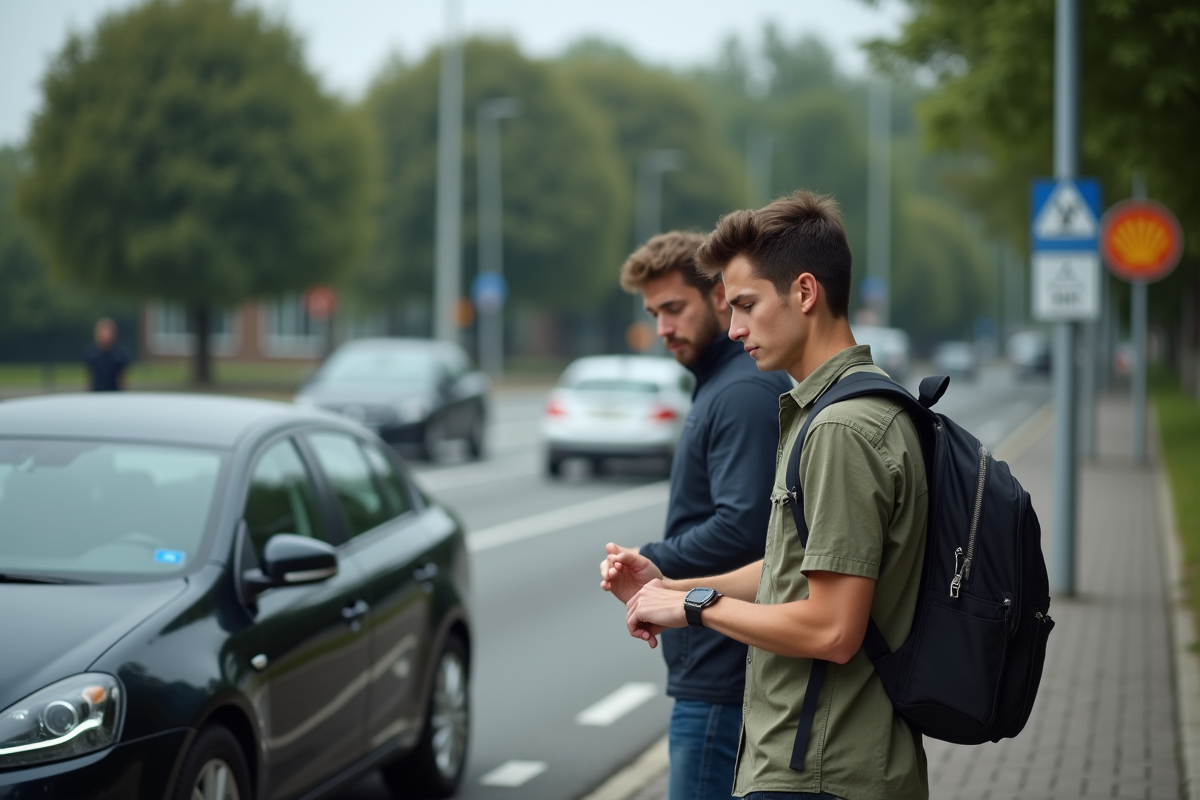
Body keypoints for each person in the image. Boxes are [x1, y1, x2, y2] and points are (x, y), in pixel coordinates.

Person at [608, 192, 930, 799]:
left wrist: (695, 605)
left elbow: (833, 629)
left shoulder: (840, 428)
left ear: (804, 292)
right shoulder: (841, 406)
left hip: (823, 770)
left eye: (747, 305)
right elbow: (793, 568)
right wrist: (670, 585)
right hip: (822, 759)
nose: (735, 329)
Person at [599, 231, 791, 800]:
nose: (663, 327)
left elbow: (746, 526)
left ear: (718, 298)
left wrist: (653, 561)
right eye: (654, 314)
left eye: (674, 308)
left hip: (720, 672)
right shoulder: (722, 385)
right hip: (714, 657)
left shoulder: (740, 393)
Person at [84, 318, 131, 392]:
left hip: (115, 393)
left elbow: (123, 378)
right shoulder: (91, 353)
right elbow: (89, 377)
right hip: (96, 393)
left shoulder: (120, 354)